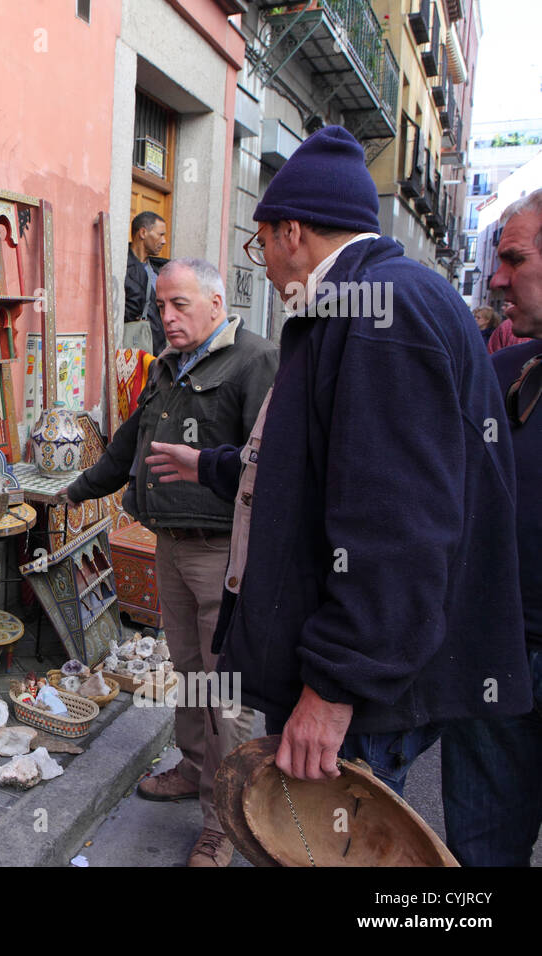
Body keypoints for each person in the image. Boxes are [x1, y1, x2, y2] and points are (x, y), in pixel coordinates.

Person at [145, 126, 531, 802]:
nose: (260, 263)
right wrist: (211, 466)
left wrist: (334, 686)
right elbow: (308, 474)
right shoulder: (362, 301)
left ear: (291, 232)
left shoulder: (384, 310)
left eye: (258, 241)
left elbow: (398, 525)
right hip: (362, 687)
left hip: (362, 703)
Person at [61, 257, 277, 867]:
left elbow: (269, 463)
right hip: (171, 545)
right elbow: (129, 443)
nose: (167, 316)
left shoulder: (254, 360)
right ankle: (191, 767)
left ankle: (226, 821)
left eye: (180, 304)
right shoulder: (168, 367)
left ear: (215, 303)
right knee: (187, 670)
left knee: (224, 688)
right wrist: (74, 489)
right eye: (160, 306)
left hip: (220, 553)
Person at [441, 188, 542, 866]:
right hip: (496, 663)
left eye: (515, 259)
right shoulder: (506, 374)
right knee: (478, 859)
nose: (496, 278)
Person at [125, 211, 168, 355]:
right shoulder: (122, 267)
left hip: (159, 352)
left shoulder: (159, 270)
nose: (164, 241)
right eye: (160, 234)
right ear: (143, 233)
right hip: (135, 351)